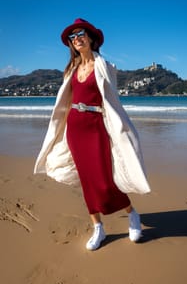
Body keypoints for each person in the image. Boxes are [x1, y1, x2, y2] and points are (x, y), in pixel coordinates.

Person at [34, 18, 151, 251]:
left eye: (80, 34)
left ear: (91, 38)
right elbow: (66, 102)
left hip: (96, 125)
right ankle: (98, 227)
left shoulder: (104, 66)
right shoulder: (71, 69)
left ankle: (132, 213)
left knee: (104, 179)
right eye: (72, 36)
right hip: (75, 128)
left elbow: (112, 101)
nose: (76, 39)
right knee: (87, 182)